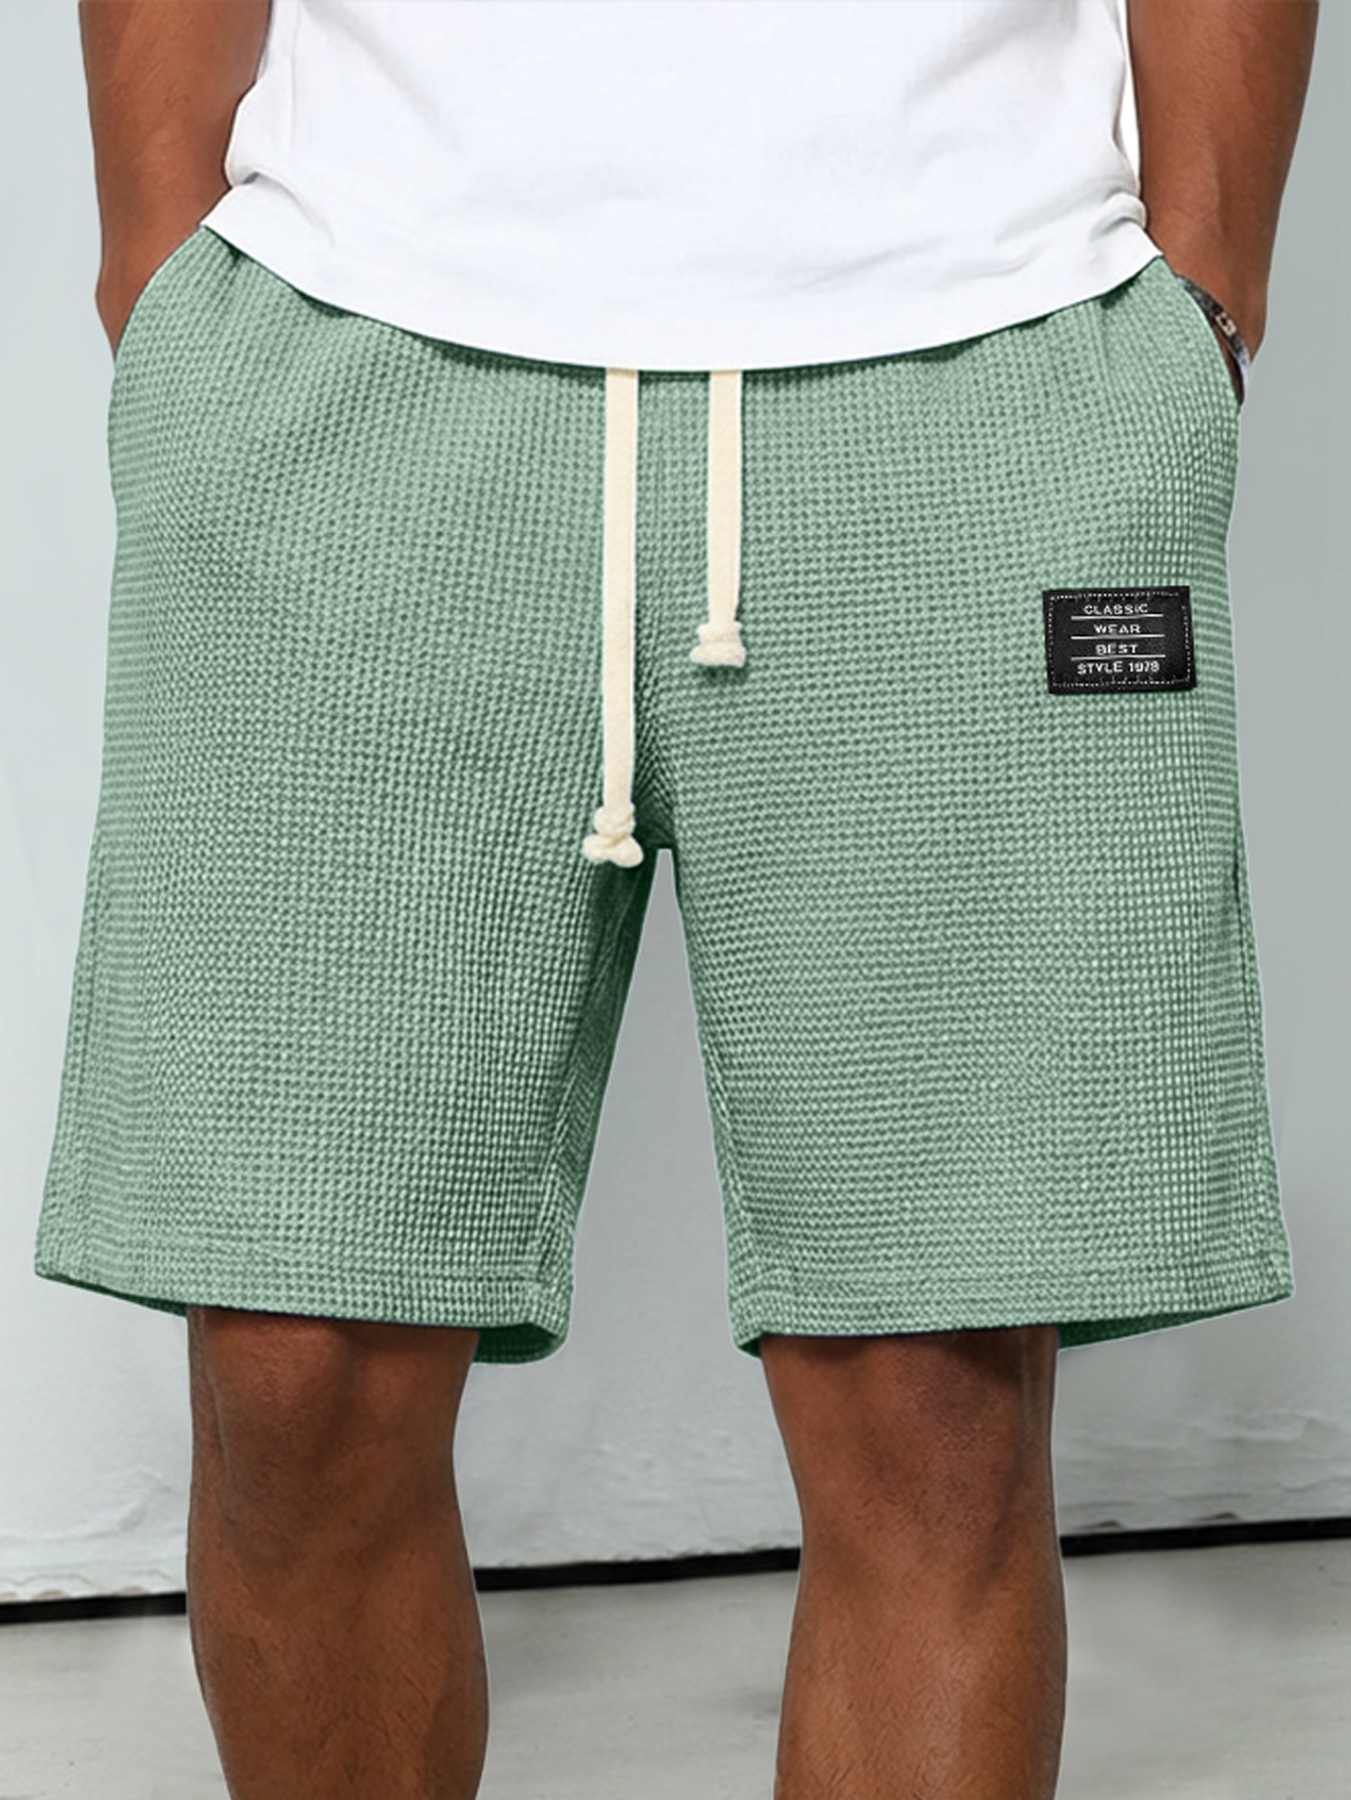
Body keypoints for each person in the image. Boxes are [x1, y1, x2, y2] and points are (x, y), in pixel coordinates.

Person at [35, 3, 1317, 1795]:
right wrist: (159, 259)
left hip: (987, 342)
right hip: (354, 340)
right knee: (293, 1361)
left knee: (932, 1399)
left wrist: (1203, 296)